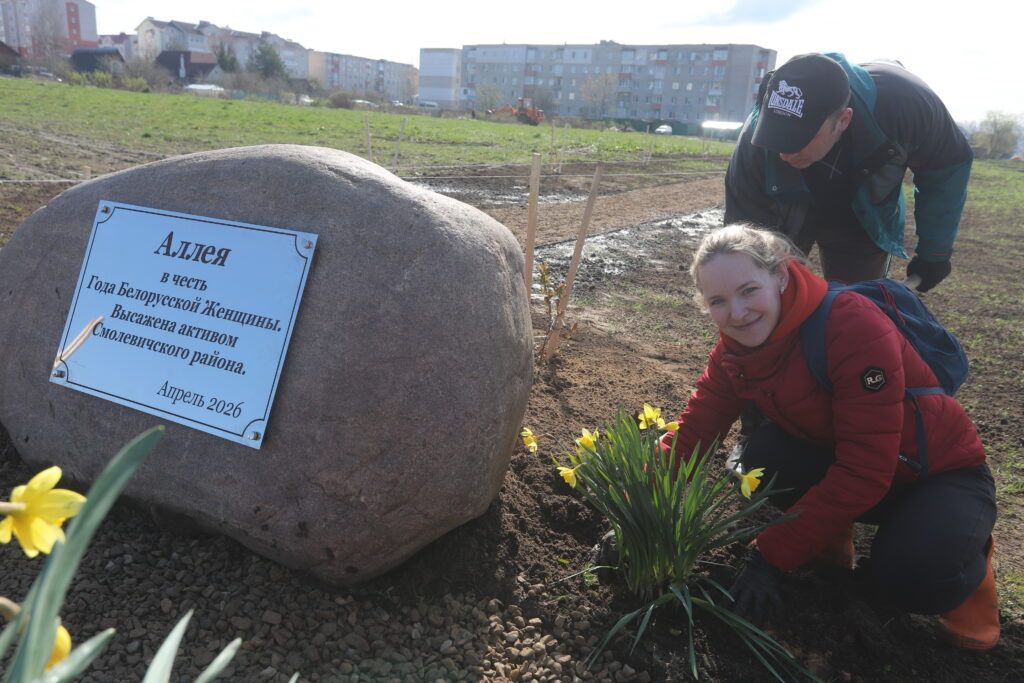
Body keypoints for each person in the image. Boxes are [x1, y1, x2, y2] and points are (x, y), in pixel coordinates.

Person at [663, 224, 999, 651]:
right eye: (718, 301)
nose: (738, 312)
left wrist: (770, 554)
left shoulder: (850, 324)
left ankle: (968, 563)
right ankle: (829, 540)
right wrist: (638, 494)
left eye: (749, 290)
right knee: (762, 459)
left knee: (910, 576)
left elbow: (865, 468)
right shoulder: (735, 346)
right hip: (861, 466)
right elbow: (696, 426)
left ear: (781, 276)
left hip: (937, 473)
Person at [725, 53, 973, 290]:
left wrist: (935, 253)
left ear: (843, 120)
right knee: (771, 289)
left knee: (858, 304)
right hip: (789, 208)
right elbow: (744, 228)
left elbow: (945, 171)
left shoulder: (906, 106)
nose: (783, 154)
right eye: (777, 137)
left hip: (861, 217)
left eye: (796, 139)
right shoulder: (754, 139)